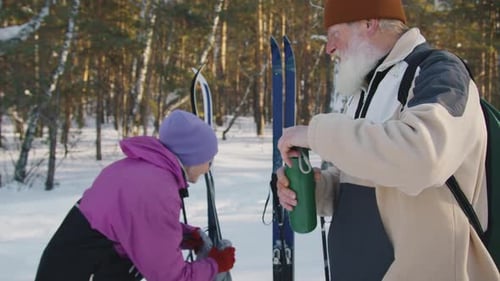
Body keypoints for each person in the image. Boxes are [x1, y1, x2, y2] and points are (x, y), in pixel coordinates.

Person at [276, 0, 499, 280]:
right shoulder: (365, 89)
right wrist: (318, 189)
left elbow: (424, 157)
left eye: (335, 35)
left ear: (369, 23)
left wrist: (315, 134)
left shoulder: (440, 73)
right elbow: (370, 180)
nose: (329, 48)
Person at [35, 109, 236, 281]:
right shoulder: (157, 191)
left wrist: (181, 234)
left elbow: (134, 223)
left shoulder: (139, 168)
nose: (209, 166)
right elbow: (171, 277)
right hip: (80, 271)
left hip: (70, 264)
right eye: (209, 158)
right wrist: (215, 265)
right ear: (191, 156)